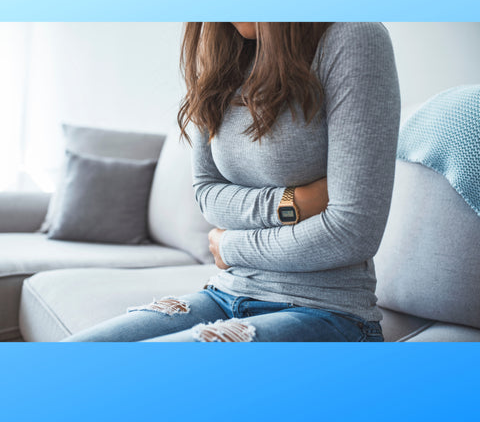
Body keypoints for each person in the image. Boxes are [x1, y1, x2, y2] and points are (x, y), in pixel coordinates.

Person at [62, 22, 401, 342]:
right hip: (224, 293)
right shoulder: (222, 55)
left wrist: (228, 247)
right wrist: (293, 202)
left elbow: (351, 233)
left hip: (328, 312)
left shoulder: (354, 38)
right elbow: (207, 193)